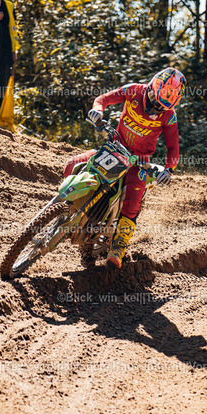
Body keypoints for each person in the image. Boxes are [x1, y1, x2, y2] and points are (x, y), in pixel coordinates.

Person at [64, 67, 186, 269]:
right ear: (153, 86)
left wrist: (168, 169)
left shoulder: (169, 116)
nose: (155, 108)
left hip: (139, 162)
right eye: (155, 100)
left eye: (162, 106)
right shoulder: (134, 90)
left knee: (133, 202)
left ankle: (118, 248)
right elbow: (103, 99)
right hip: (115, 147)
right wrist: (98, 110)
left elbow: (173, 147)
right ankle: (66, 208)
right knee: (72, 165)